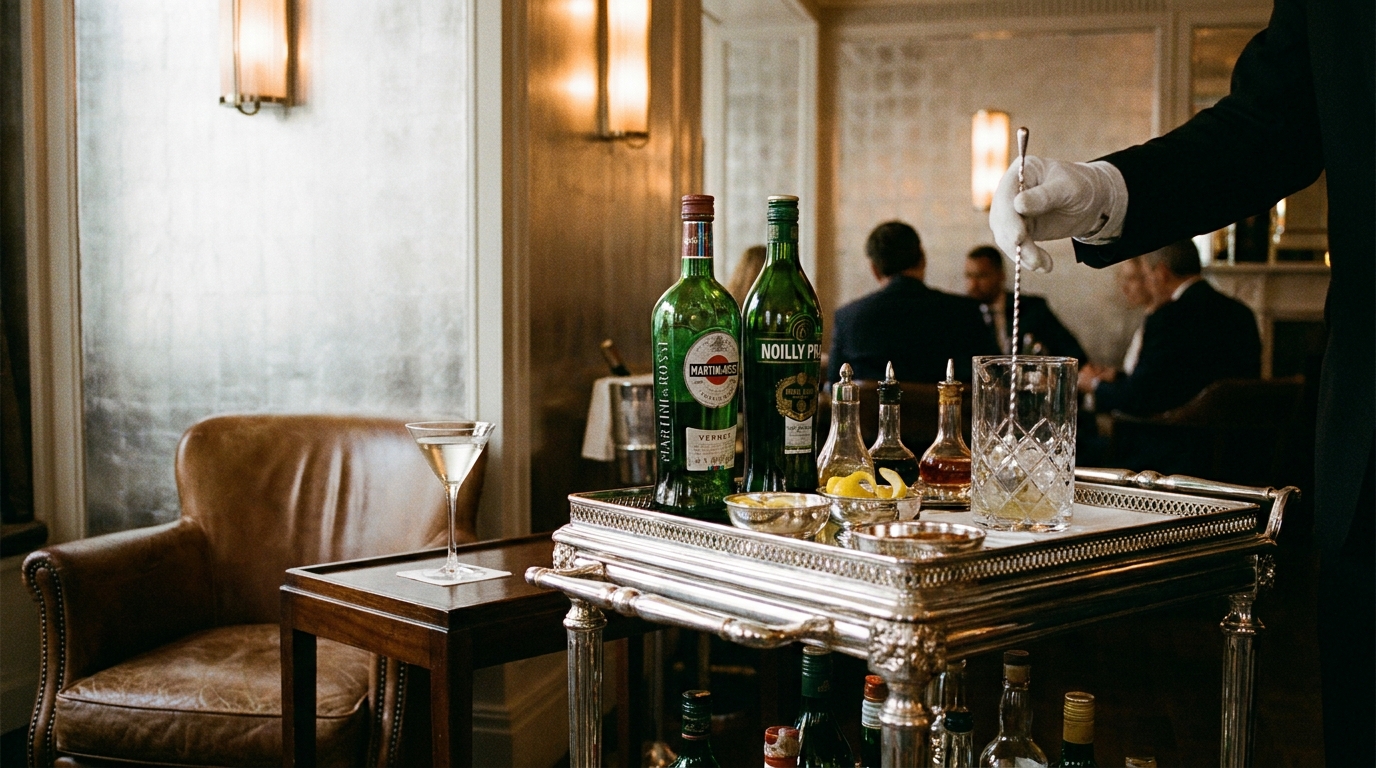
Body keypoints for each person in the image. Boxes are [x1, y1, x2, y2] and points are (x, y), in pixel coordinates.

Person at [988, 2, 1372, 762]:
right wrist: (1102, 191)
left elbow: (1143, 397)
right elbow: (1269, 125)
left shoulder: (1174, 324)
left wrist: (1102, 391)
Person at [1077, 239, 1260, 416]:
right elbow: (1170, 382)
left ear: (1161, 273)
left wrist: (1094, 385)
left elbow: (1141, 398)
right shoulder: (1242, 312)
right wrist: (1117, 377)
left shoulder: (1168, 318)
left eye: (1147, 275)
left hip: (1175, 432)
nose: (1148, 283)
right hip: (1235, 431)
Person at [829, 221, 997, 384]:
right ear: (922, 259)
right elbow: (994, 377)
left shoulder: (847, 319)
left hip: (873, 405)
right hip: (944, 405)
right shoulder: (965, 312)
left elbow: (834, 387)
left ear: (874, 269)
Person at [964, 245, 1086, 360]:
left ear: (1001, 275)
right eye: (969, 276)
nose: (973, 284)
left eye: (981, 276)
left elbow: (1070, 351)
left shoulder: (1033, 308)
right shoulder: (963, 314)